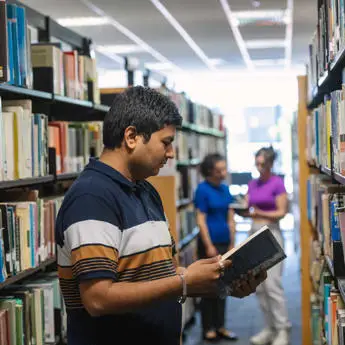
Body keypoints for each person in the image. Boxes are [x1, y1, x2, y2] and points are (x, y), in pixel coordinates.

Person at [55, 86, 267, 345]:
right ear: (131, 136)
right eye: (165, 142)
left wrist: (210, 280)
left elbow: (156, 276)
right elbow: (98, 298)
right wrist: (184, 282)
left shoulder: (146, 191)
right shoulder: (92, 198)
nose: (171, 153)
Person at [245, 146, 290, 345]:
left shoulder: (277, 183)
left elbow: (282, 212)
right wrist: (242, 209)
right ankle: (269, 328)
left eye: (263, 163)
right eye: (257, 162)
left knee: (273, 285)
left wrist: (259, 214)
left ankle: (282, 329)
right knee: (260, 286)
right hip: (253, 233)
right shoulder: (252, 183)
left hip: (271, 233)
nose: (259, 167)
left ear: (271, 164)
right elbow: (247, 205)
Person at [194, 153, 238, 342]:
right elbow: (201, 220)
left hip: (225, 243)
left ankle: (221, 326)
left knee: (223, 285)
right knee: (208, 286)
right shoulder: (202, 190)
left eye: (224, 168)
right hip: (209, 245)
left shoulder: (225, 189)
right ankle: (208, 327)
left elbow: (230, 217)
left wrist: (232, 242)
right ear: (210, 171)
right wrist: (209, 245)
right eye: (219, 170)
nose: (223, 172)